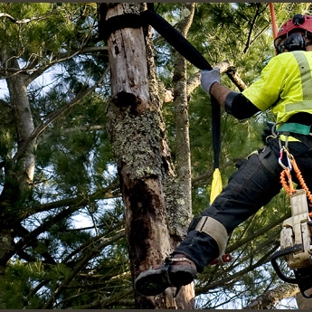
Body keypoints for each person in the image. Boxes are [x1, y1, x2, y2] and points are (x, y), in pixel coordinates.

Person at [134, 13, 312, 297]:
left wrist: (212, 84)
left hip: (291, 150)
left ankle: (186, 258)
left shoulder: (290, 61)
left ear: (295, 40)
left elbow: (241, 106)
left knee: (228, 206)